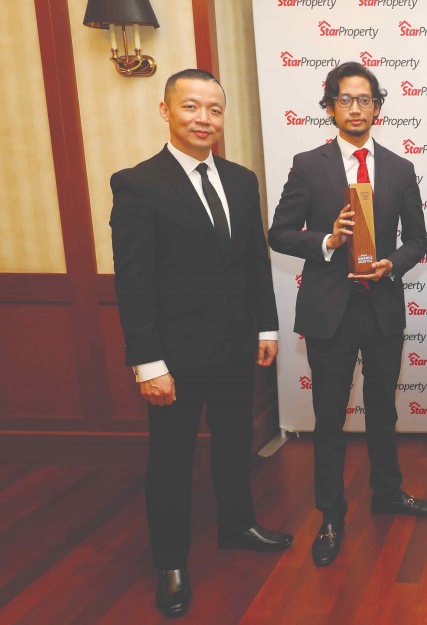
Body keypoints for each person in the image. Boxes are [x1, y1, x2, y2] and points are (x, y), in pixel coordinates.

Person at [110, 68, 291, 618]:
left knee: (235, 443)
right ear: (166, 111)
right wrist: (146, 361)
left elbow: (254, 261)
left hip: (237, 346)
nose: (203, 119)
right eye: (191, 108)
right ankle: (171, 562)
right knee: (171, 460)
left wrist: (266, 326)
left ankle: (237, 525)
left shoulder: (240, 179)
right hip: (174, 356)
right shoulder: (138, 184)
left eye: (214, 109)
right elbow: (133, 280)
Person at [268, 62, 427, 567]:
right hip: (329, 312)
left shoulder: (400, 169)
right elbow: (278, 233)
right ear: (330, 106)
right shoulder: (307, 164)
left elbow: (420, 240)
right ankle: (331, 513)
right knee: (329, 418)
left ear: (378, 108)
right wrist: (326, 240)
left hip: (382, 307)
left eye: (366, 100)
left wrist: (393, 263)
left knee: (383, 410)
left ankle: (388, 493)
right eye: (346, 99)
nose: (357, 108)